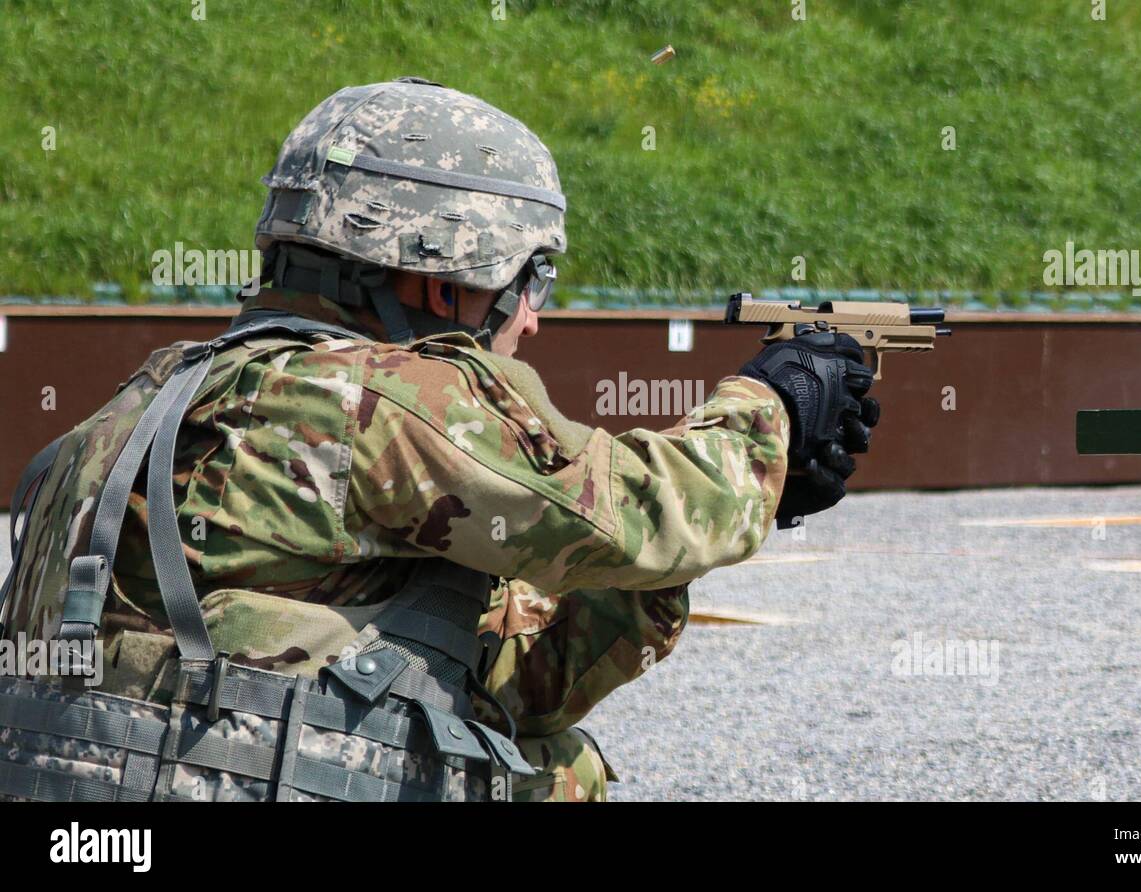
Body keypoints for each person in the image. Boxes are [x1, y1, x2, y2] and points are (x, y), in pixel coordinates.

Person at [0, 77, 874, 802]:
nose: (530, 319)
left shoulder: (137, 405)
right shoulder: (372, 396)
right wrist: (771, 408)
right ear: (440, 271)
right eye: (530, 278)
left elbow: (503, 685)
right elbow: (628, 516)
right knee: (553, 783)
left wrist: (752, 498)